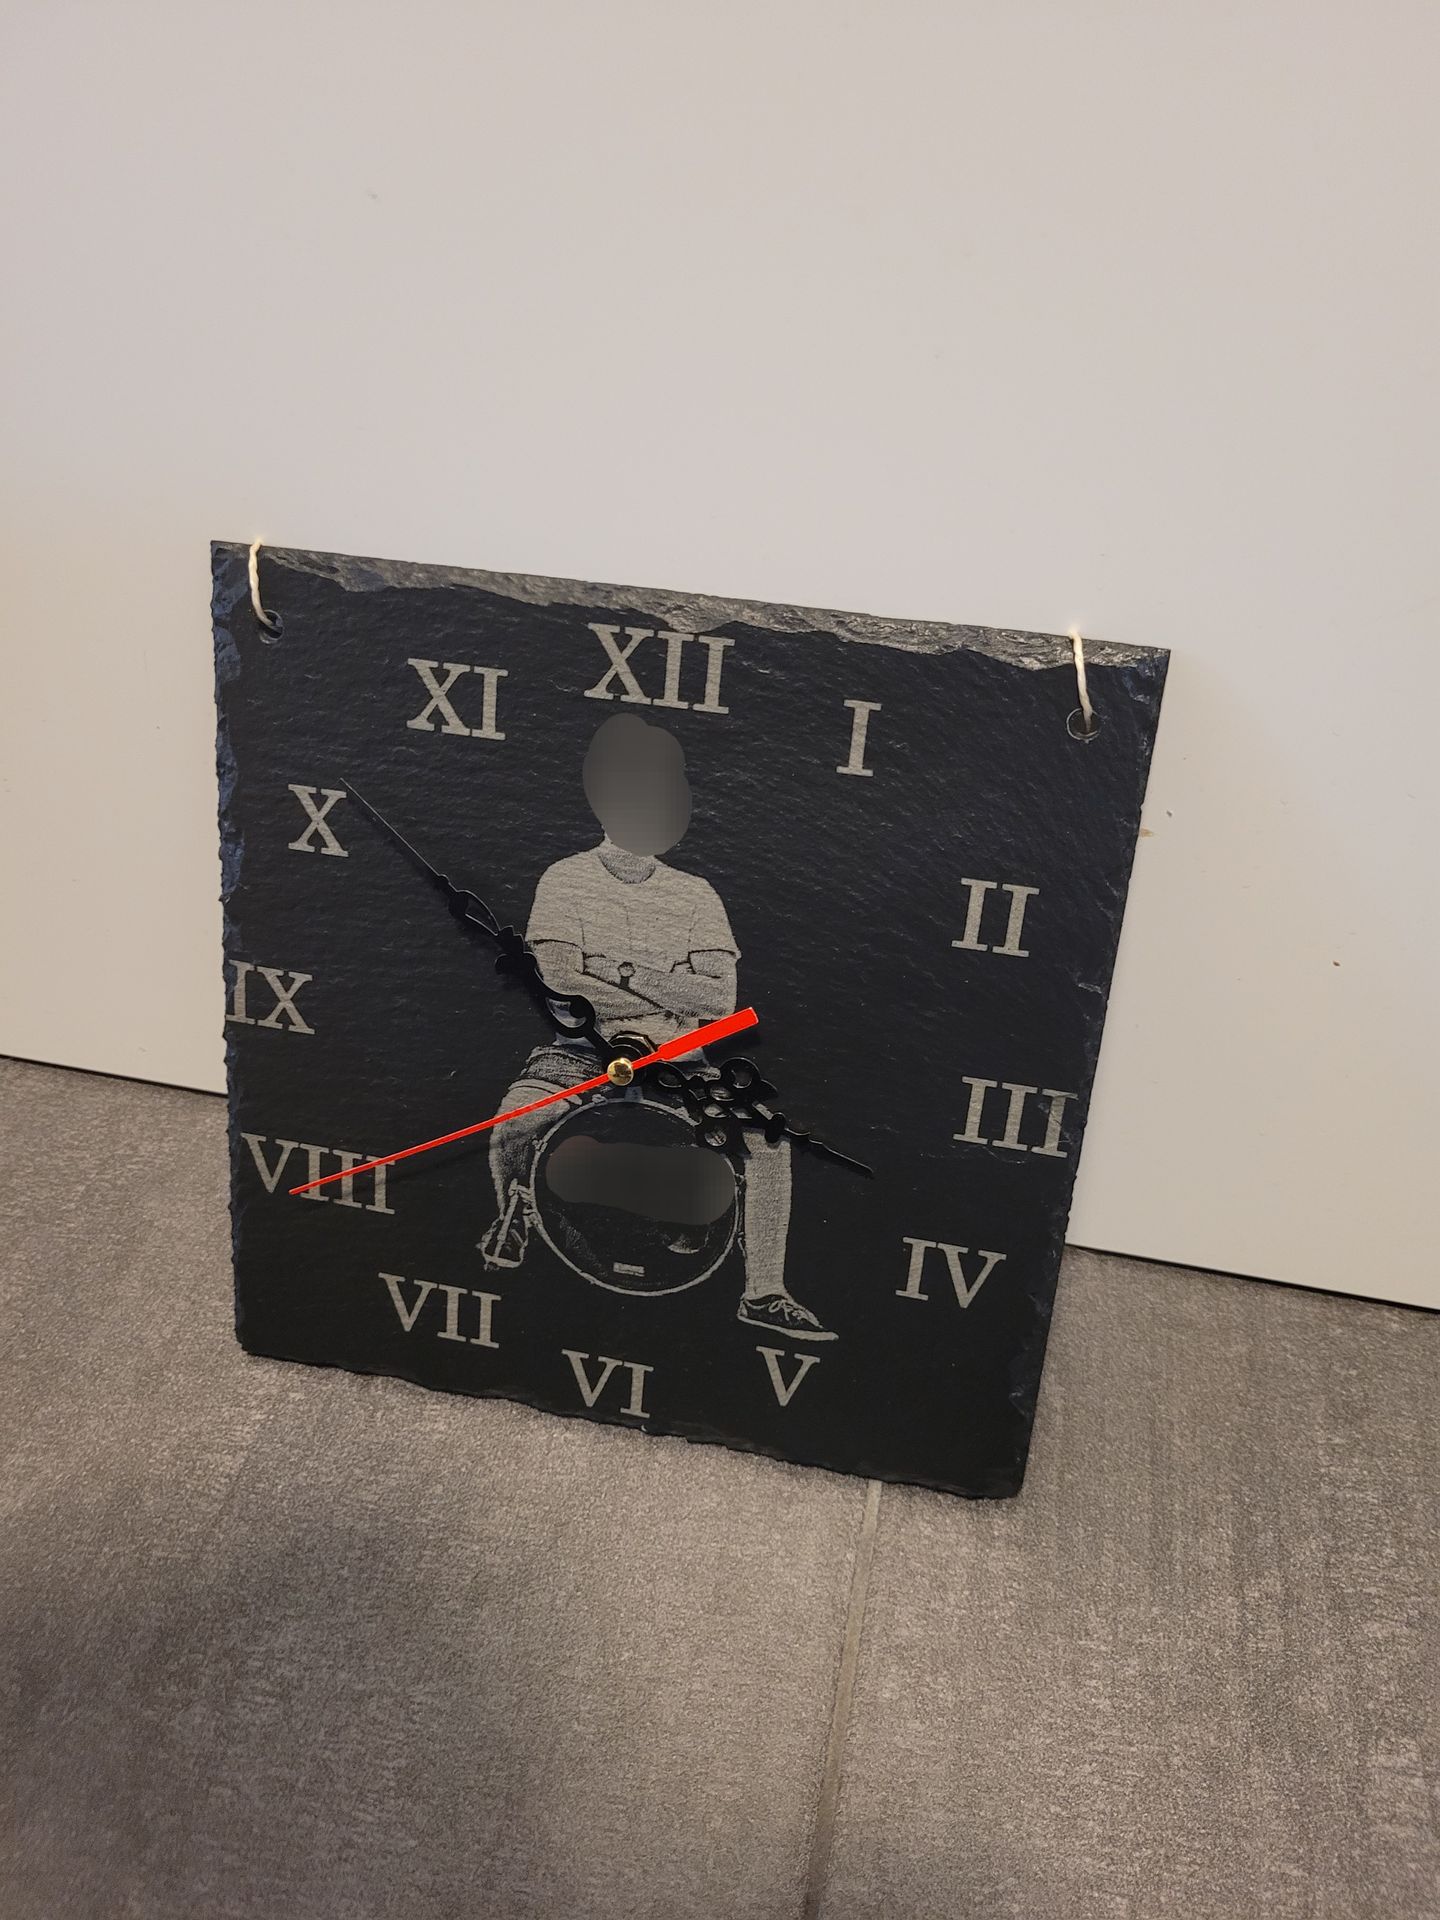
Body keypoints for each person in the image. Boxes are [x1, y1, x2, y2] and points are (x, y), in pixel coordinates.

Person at [481, 712, 834, 1341]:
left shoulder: (697, 895)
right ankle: (515, 1216)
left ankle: (764, 1292)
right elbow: (560, 989)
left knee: (769, 1144)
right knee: (515, 1121)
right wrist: (664, 982)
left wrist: (609, 967)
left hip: (682, 1062)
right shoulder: (566, 880)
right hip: (581, 1055)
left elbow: (719, 999)